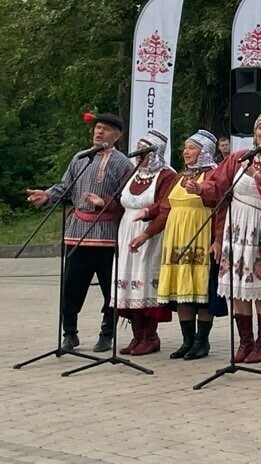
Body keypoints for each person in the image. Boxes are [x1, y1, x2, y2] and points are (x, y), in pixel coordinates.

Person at [188, 110, 261, 363]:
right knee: (238, 287)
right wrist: (200, 187)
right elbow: (218, 185)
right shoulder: (238, 158)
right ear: (254, 132)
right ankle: (245, 341)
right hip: (236, 228)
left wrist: (257, 177)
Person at [26, 112, 134, 353]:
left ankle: (107, 334)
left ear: (116, 135)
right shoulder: (80, 158)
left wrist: (104, 201)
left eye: (105, 129)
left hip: (106, 234)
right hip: (77, 232)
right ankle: (70, 334)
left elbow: (127, 199)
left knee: (110, 288)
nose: (99, 132)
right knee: (72, 286)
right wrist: (47, 195)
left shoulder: (123, 163)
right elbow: (65, 187)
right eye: (97, 128)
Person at [133, 129, 227, 360]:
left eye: (192, 148)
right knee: (182, 291)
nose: (186, 151)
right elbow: (165, 209)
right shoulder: (179, 177)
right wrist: (146, 233)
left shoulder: (214, 175)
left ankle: (202, 342)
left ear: (204, 151)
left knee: (201, 290)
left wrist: (218, 240)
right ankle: (187, 341)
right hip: (176, 240)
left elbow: (220, 207)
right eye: (185, 147)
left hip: (201, 237)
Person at [114, 129, 177, 356]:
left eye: (145, 151)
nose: (140, 156)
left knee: (144, 282)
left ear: (156, 152)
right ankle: (137, 335)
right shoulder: (133, 173)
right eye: (139, 150)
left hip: (151, 235)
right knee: (128, 282)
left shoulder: (167, 176)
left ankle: (150, 337)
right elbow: (119, 201)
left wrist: (145, 231)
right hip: (127, 231)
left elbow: (165, 208)